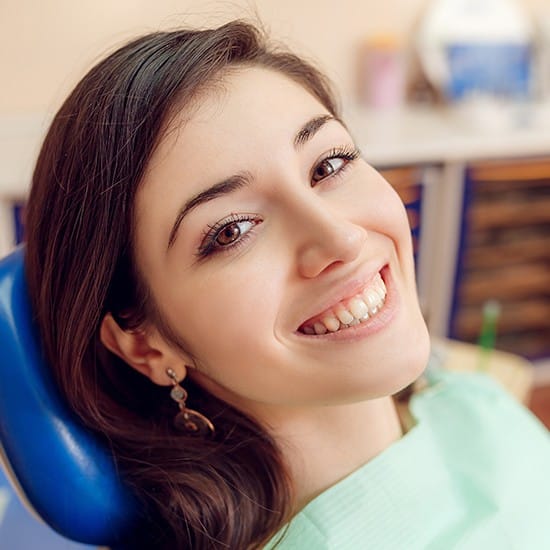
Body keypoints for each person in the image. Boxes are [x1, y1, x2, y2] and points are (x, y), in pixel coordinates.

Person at [24, 20, 549, 550]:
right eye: (232, 231)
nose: (340, 236)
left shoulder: (460, 399)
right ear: (144, 344)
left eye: (329, 164)